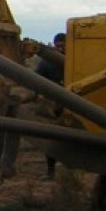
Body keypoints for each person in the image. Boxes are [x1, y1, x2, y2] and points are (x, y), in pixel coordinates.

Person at [35, 32, 66, 180]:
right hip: (53, 106)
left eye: (63, 45)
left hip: (75, 105)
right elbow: (36, 79)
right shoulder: (46, 63)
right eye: (58, 46)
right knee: (51, 138)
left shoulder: (76, 60)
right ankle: (50, 171)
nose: (60, 49)